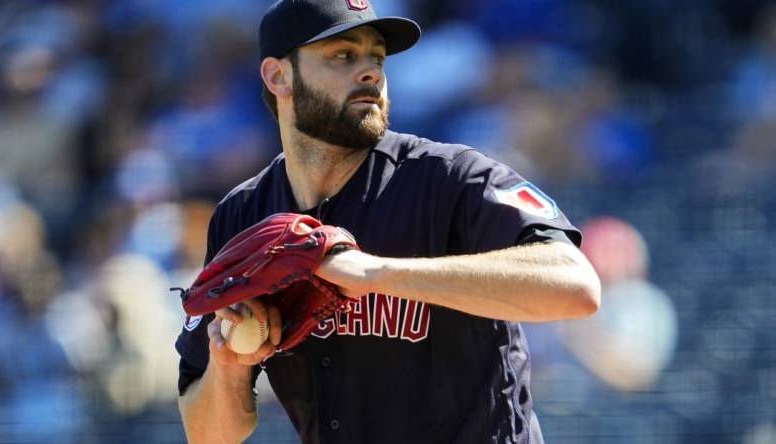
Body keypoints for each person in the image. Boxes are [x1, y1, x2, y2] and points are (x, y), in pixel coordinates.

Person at [175, 1, 602, 443]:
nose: (370, 72)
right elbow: (208, 435)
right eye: (343, 55)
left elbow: (577, 287)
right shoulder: (243, 216)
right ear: (277, 76)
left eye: (376, 57)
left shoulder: (450, 178)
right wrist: (228, 367)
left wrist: (378, 272)